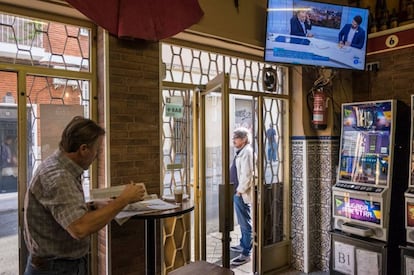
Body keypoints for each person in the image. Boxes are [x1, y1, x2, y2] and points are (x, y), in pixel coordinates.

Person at [23, 116, 146, 275]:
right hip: (56, 269)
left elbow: (58, 211)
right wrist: (124, 199)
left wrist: (92, 206)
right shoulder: (59, 177)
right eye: (97, 149)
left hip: (61, 266)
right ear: (83, 149)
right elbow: (80, 228)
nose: (97, 155)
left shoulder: (60, 166)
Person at [230, 127, 254, 266]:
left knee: (245, 223)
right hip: (238, 192)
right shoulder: (241, 151)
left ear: (244, 139)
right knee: (242, 221)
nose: (233, 140)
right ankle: (243, 243)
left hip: (241, 193)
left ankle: (246, 253)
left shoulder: (247, 152)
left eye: (236, 137)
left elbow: (247, 174)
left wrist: (239, 190)